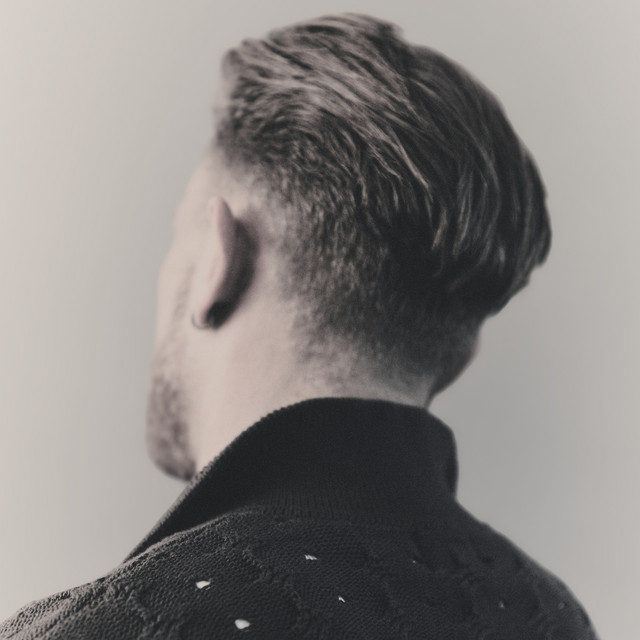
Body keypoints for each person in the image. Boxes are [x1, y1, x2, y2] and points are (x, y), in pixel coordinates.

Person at [0, 12, 599, 640]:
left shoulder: (99, 628)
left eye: (179, 234)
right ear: (464, 352)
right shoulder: (553, 617)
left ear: (217, 261)